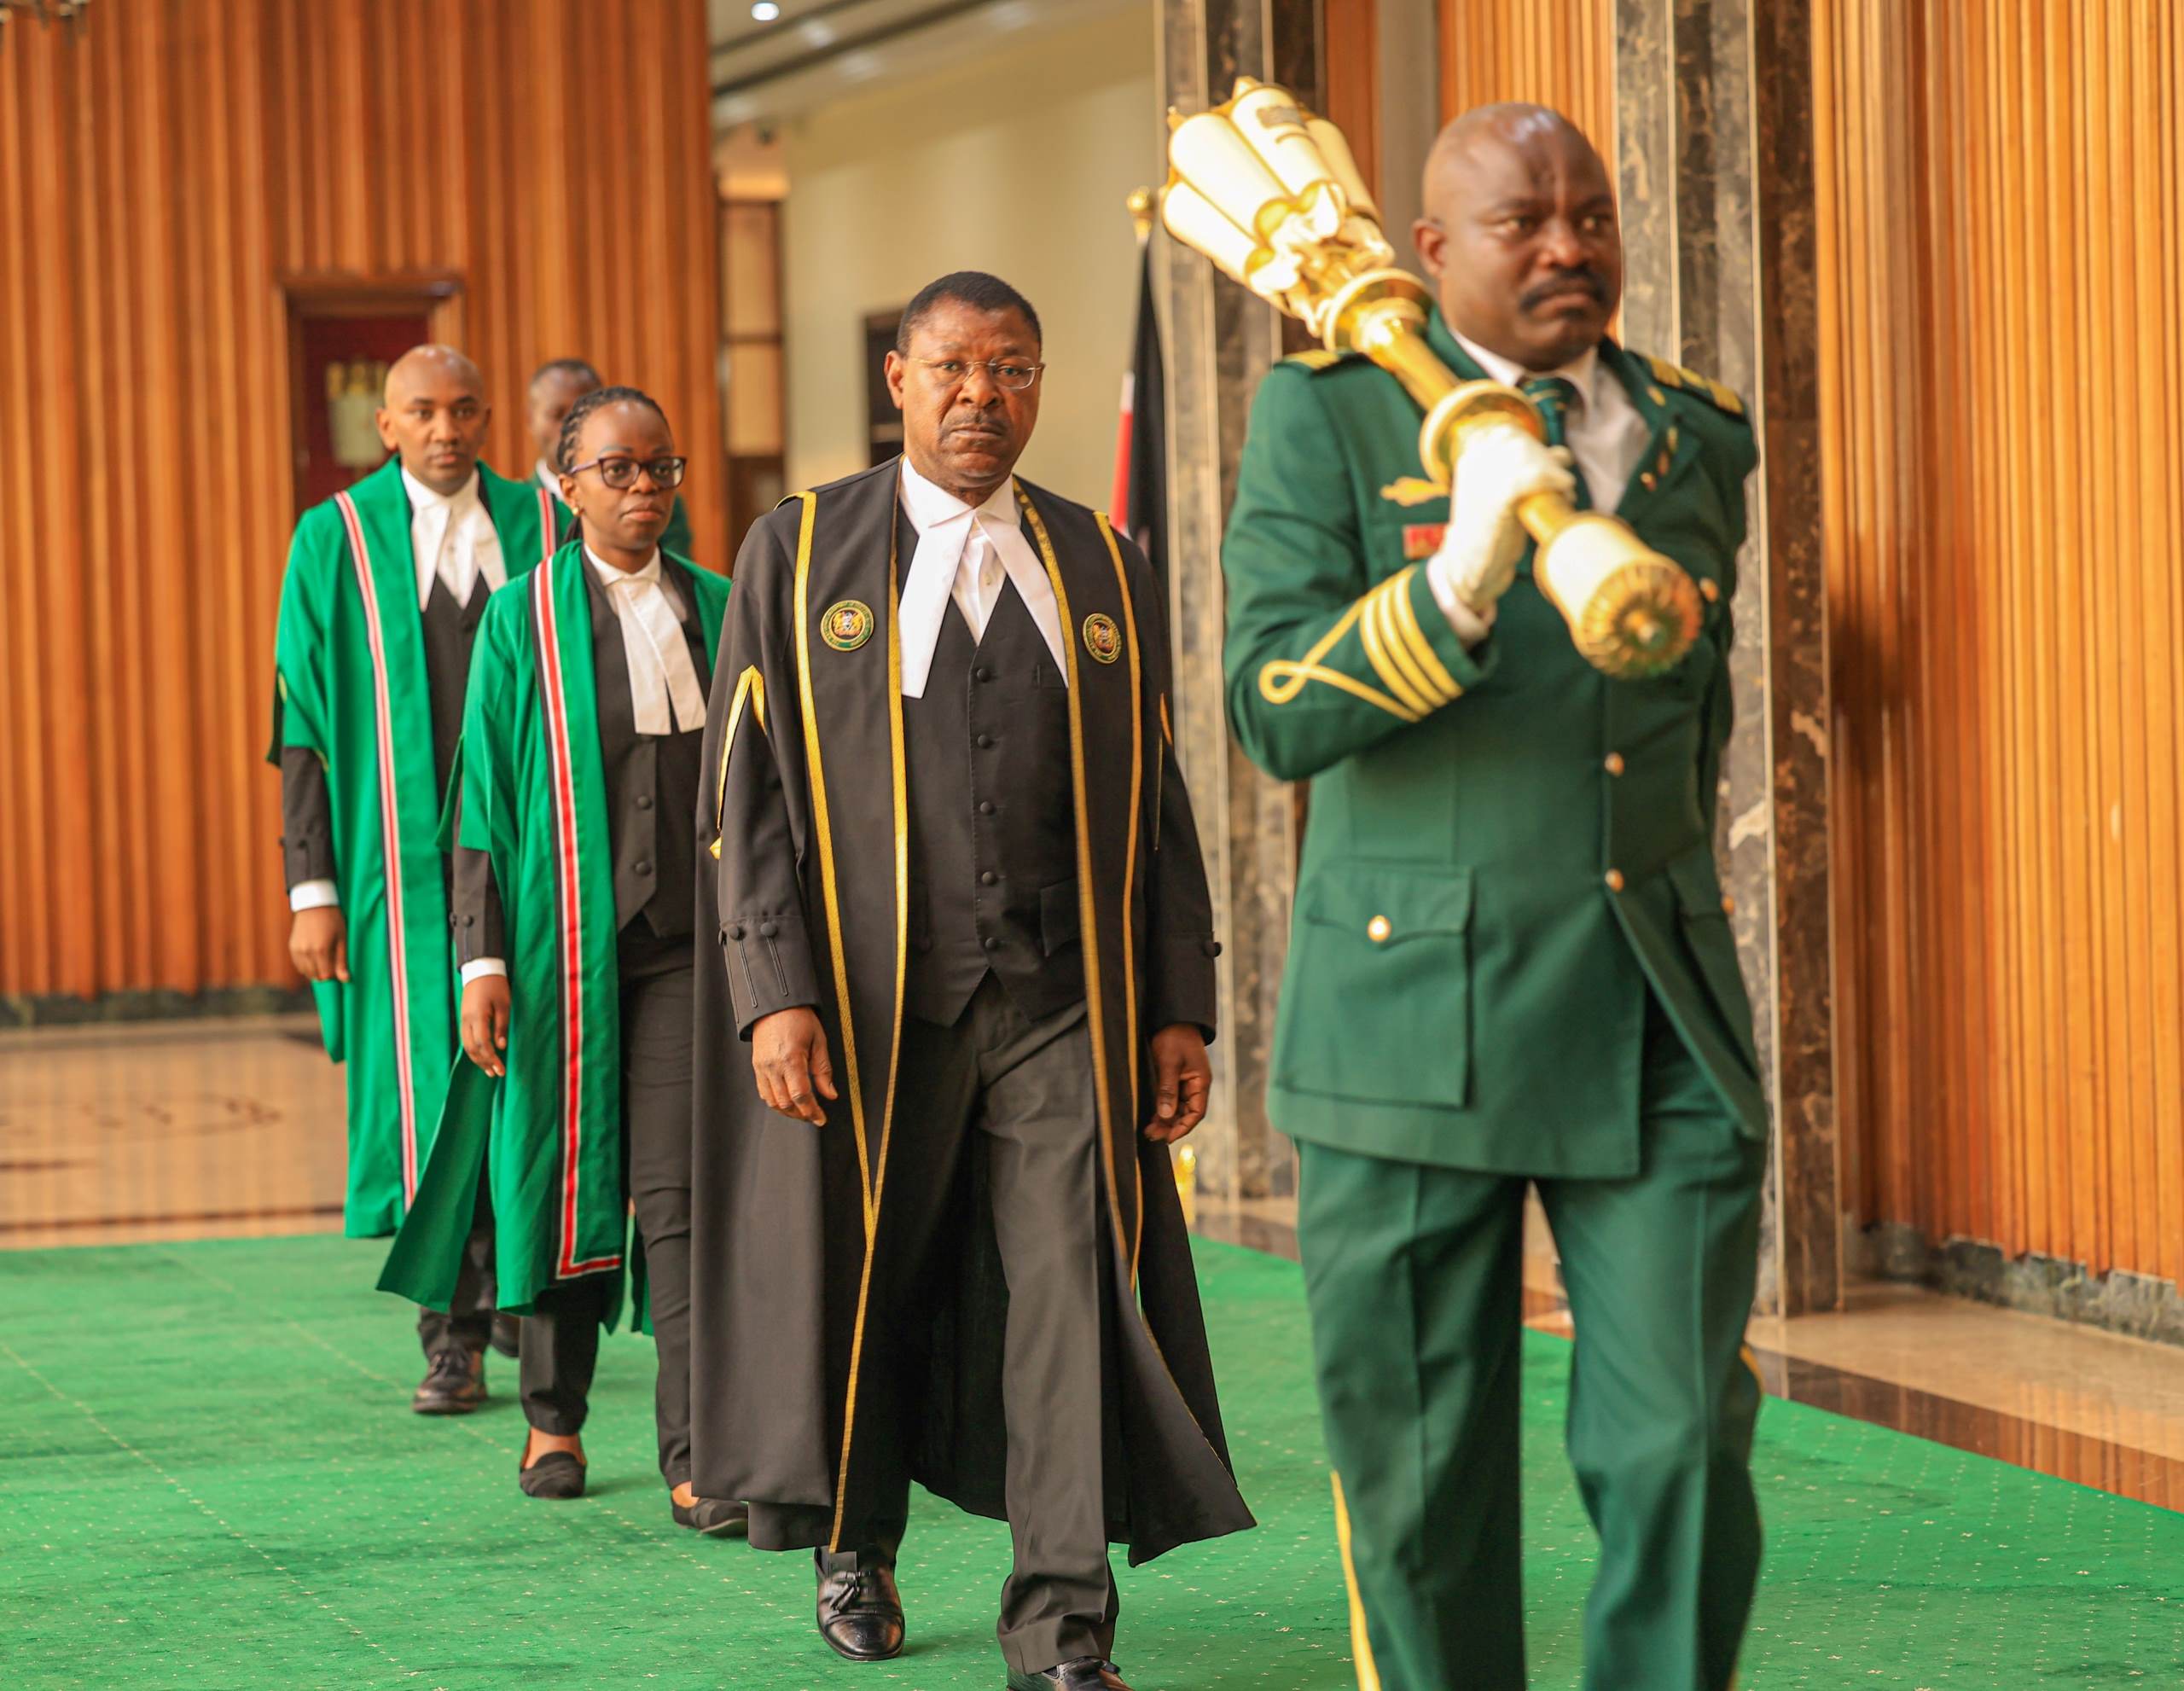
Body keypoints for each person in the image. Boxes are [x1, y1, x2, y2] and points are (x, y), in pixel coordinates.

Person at [1221, 104, 1769, 1691]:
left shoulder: (1696, 435)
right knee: (1423, 1483)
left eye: (1590, 216)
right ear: (1433, 250)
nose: (1567, 248)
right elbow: (1273, 709)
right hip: (1411, 1022)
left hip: (1651, 1004)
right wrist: (1455, 576)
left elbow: (1694, 715)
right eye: (1522, 222)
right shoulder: (1326, 421)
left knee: (1680, 1442)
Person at [689, 270, 1253, 1691]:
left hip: (1064, 1001)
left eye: (1010, 369)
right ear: (897, 378)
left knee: (1069, 1288)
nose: (979, 397)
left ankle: (1061, 1631)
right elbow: (741, 794)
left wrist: (1178, 1000)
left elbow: (1161, 796)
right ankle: (855, 1542)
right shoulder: (800, 547)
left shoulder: (1100, 558)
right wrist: (774, 989)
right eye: (951, 367)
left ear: (1040, 387)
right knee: (878, 1277)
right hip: (876, 1008)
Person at [380, 386, 737, 1528]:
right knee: (564, 1182)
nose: (643, 491)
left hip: (690, 953)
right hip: (562, 956)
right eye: (617, 470)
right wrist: (480, 963)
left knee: (683, 1204)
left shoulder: (720, 609)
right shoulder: (520, 618)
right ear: (567, 484)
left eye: (660, 469)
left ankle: (695, 1452)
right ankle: (553, 1415)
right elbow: (479, 802)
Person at [270, 345, 549, 1415]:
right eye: (422, 411)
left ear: (488, 418)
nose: (446, 429)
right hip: (397, 875)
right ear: (383, 424)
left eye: (464, 409)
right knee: (431, 1088)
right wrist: (313, 888)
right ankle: (454, 1334)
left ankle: (531, 1297)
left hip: (525, 859)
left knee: (529, 1075)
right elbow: (301, 723)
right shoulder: (332, 539)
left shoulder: (545, 524)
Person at [527, 357, 694, 555]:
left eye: (584, 412)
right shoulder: (518, 510)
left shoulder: (655, 498)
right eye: (557, 414)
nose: (571, 426)